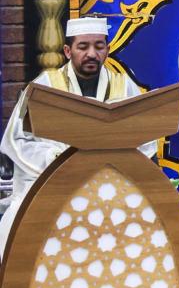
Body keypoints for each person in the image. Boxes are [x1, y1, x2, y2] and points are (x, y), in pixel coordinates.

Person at [0, 17, 156, 260]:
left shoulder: (123, 86)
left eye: (99, 46)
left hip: (110, 181)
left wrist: (116, 162)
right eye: (83, 47)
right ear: (67, 51)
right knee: (25, 216)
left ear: (107, 50)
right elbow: (17, 141)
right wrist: (56, 159)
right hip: (54, 179)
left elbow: (144, 140)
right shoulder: (44, 87)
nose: (92, 53)